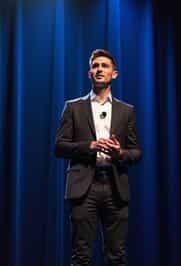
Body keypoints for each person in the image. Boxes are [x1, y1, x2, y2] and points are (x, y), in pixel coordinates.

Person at [54, 49, 142, 266]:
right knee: (81, 255)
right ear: (89, 74)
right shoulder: (73, 107)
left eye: (104, 66)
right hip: (84, 187)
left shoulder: (126, 110)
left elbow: (136, 151)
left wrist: (120, 153)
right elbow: (59, 147)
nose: (99, 69)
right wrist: (89, 146)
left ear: (114, 74)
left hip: (115, 186)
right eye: (95, 66)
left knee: (116, 255)